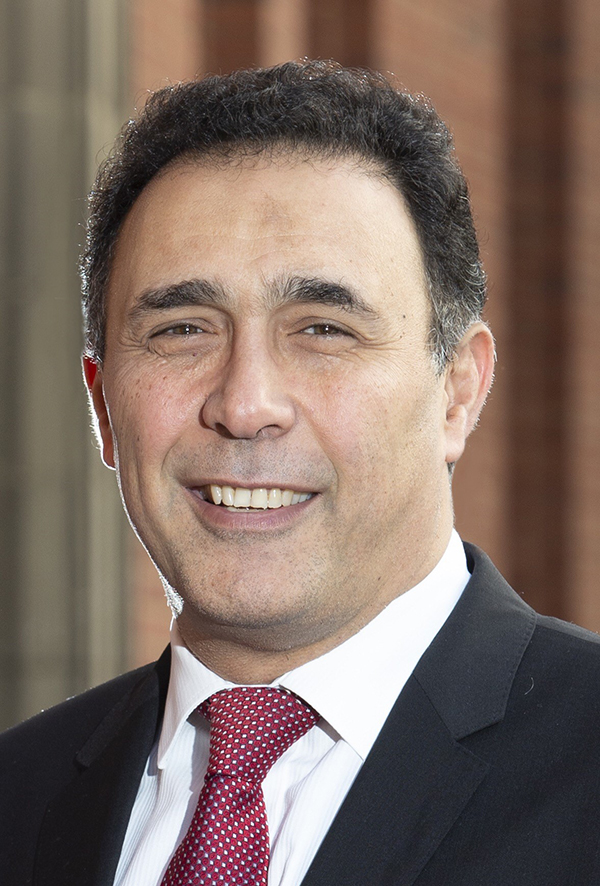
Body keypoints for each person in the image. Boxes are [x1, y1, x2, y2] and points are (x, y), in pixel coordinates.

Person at [2, 59, 600, 886]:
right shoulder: (16, 798)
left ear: (457, 393)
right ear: (102, 404)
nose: (245, 404)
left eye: (323, 329)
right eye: (182, 330)